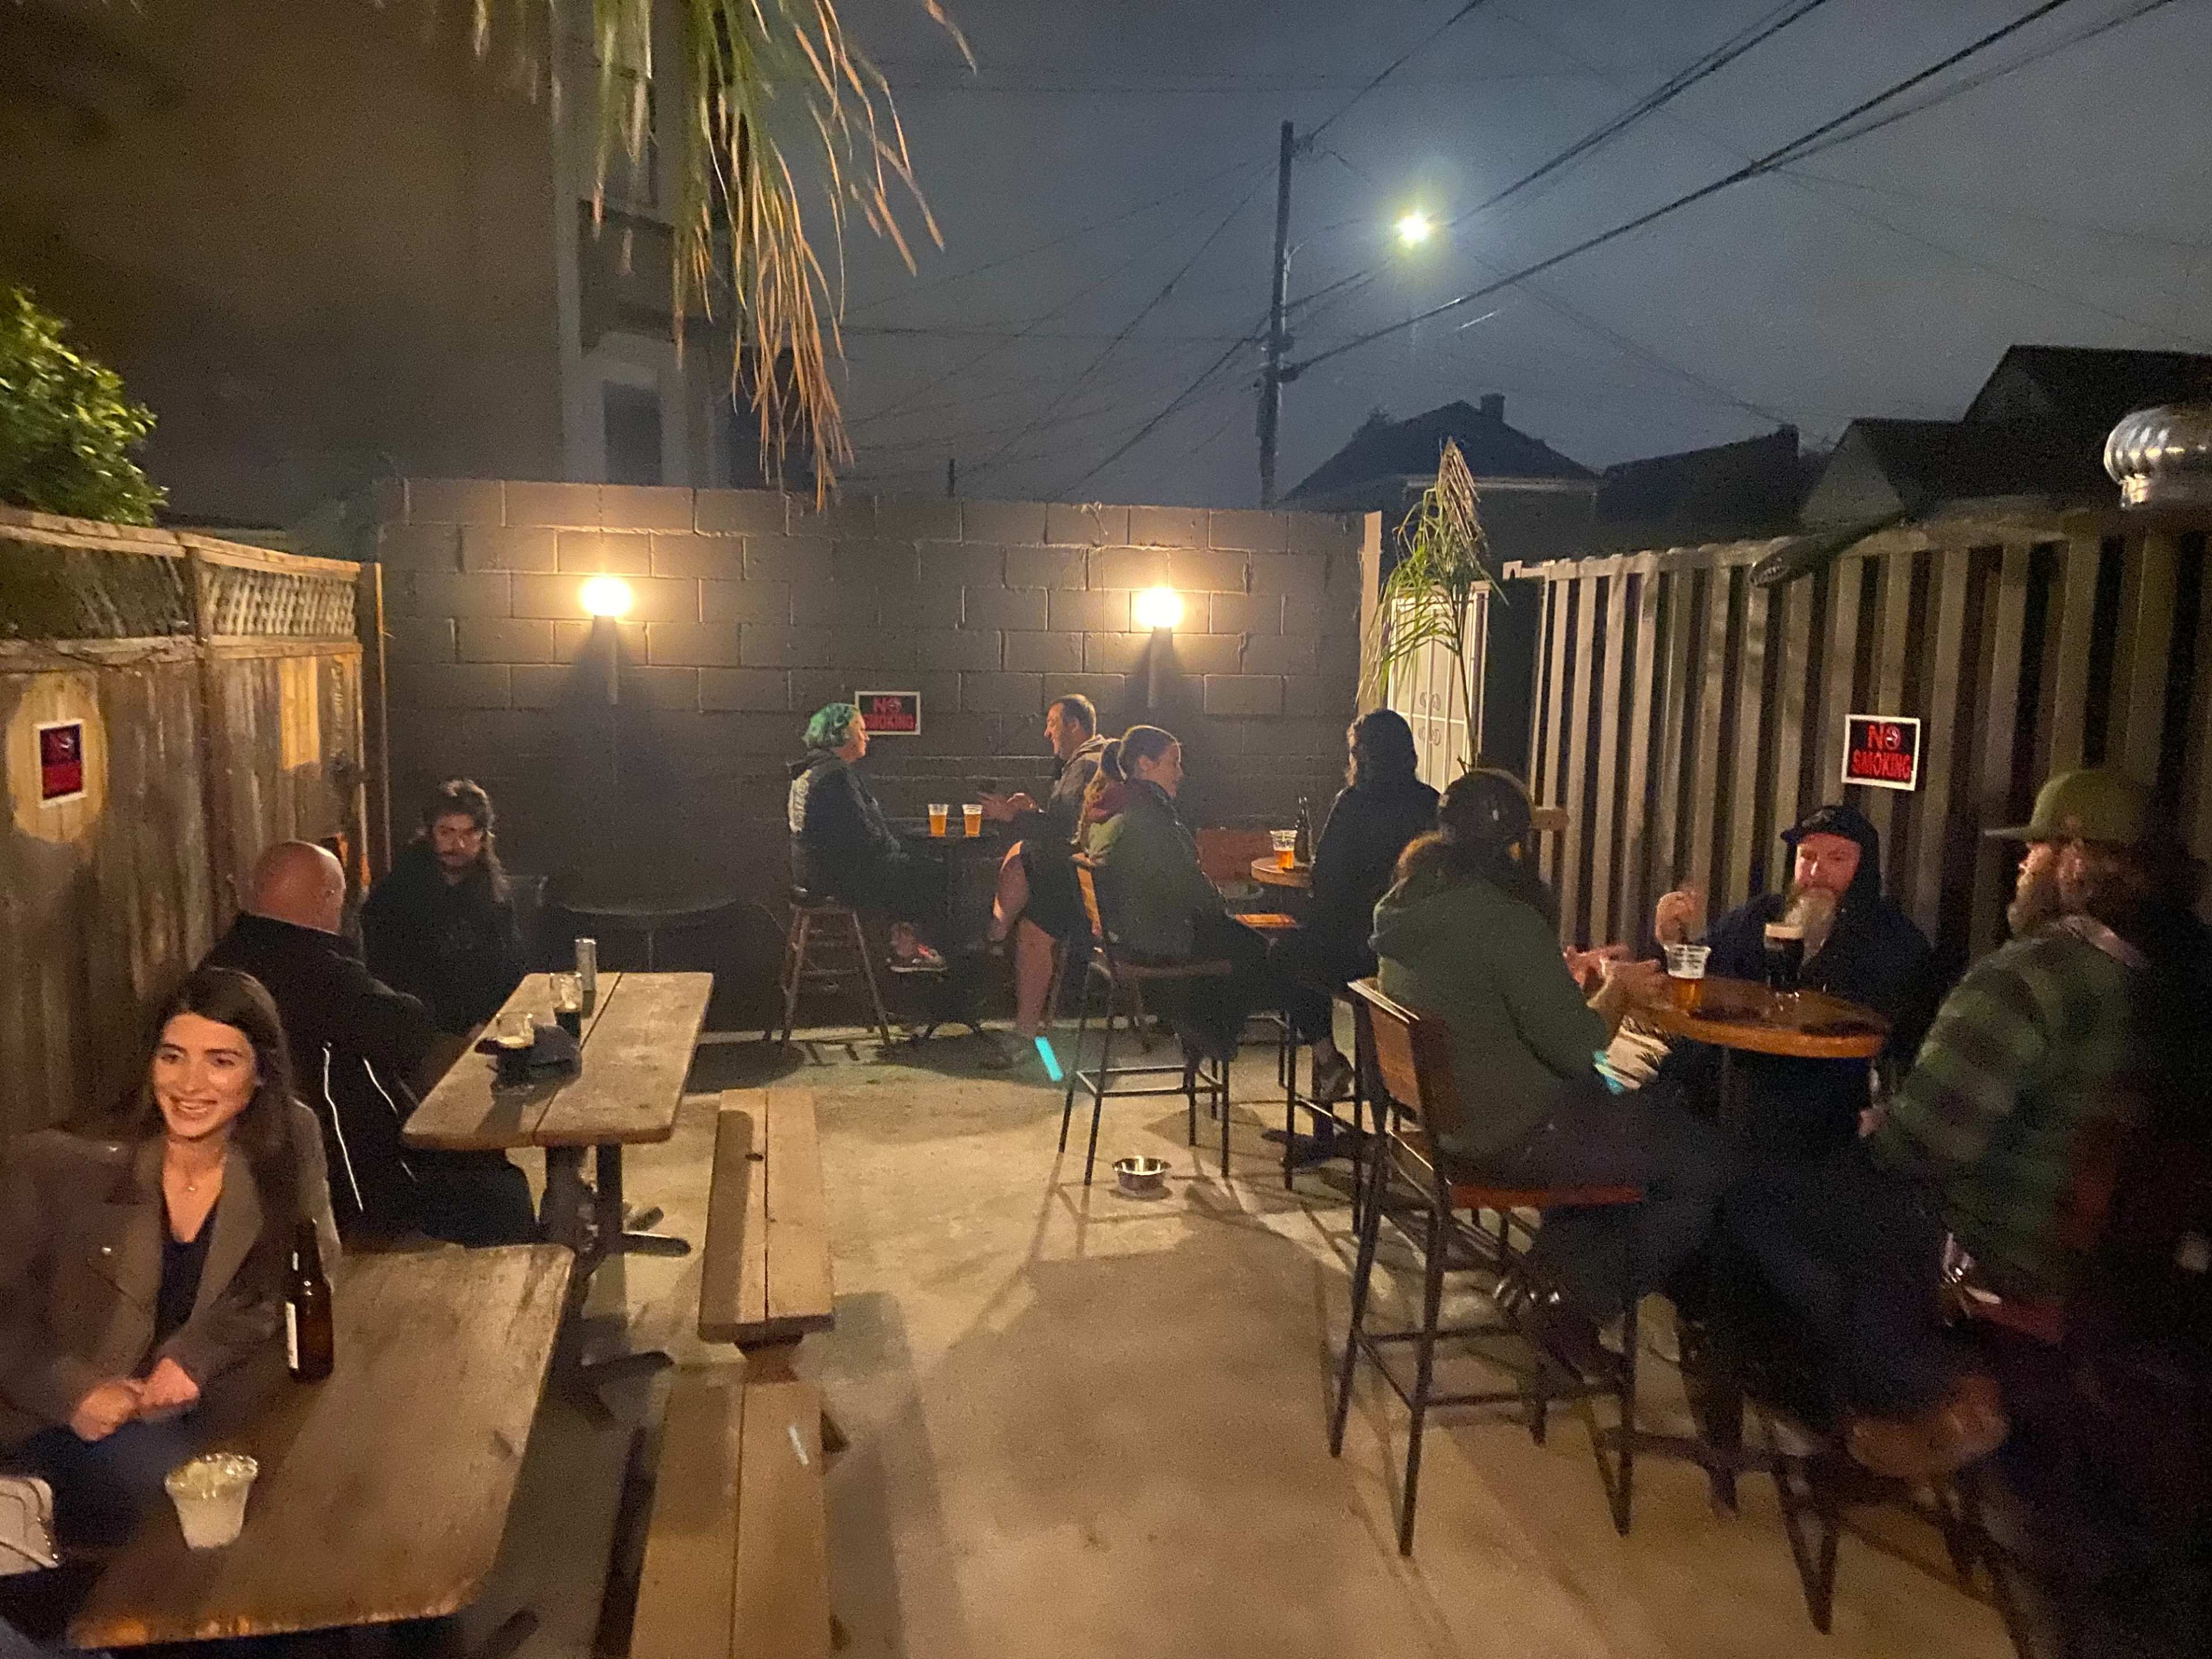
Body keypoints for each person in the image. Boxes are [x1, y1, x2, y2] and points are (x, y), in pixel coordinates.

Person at [1723, 768, 2176, 1480]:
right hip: (2105, 1266)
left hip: (1984, 1245)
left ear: (2076, 859)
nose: (2023, 866)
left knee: (1752, 1199)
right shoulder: (2159, 987)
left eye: (2035, 852)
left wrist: (1883, 1125)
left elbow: (1921, 1148)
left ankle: (1921, 1388)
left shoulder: (2026, 979)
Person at [1371, 768, 1726, 1370]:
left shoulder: (1410, 903)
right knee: (1705, 1163)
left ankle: (1545, 1280)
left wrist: (1564, 977)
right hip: (1518, 1134)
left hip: (1453, 1122)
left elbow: (1482, 995)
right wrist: (1616, 987)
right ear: (1513, 846)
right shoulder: (1505, 919)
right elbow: (1579, 1048)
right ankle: (1573, 1306)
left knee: (1642, 1114)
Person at [0, 968, 338, 1547]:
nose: (190, 1083)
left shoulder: (287, 1139)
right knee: (200, 1507)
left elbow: (297, 1271)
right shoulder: (64, 1164)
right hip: (66, 1420)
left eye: (221, 1061)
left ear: (260, 1074)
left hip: (209, 1396)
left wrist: (197, 1354)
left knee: (334, 1468)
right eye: (173, 1056)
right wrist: (74, 1390)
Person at [204, 841, 535, 1247]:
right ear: (326, 899)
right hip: (351, 1187)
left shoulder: (221, 965)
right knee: (501, 1192)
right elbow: (409, 1032)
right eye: (341, 896)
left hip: (256, 1165)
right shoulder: (321, 973)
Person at [1652, 802, 1934, 1164]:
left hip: (1835, 1108)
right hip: (1745, 1086)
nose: (1817, 872)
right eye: (1808, 856)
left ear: (1862, 869)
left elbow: (1910, 1035)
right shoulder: (1762, 916)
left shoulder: (1891, 937)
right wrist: (1671, 941)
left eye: (1837, 859)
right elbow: (1698, 966)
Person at [1273, 710, 1437, 1107]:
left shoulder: (1353, 803)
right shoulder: (1431, 802)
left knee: (1284, 954)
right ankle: (1381, 1088)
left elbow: (1326, 879)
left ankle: (1328, 1058)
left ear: (1362, 757)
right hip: (1416, 952)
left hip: (1358, 952)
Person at [1086, 725, 1276, 1061]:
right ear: (1144, 764)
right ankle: (1209, 1032)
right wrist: (1221, 902)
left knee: (1234, 940)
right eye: (1173, 763)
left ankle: (1202, 1028)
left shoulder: (1117, 807)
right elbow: (1193, 889)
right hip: (1156, 938)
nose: (1181, 773)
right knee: (1259, 950)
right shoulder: (1148, 816)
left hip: (1123, 935)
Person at [981, 694, 1112, 1039]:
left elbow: (1065, 831)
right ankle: (996, 937)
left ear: (1074, 725)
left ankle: (992, 939)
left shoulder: (1086, 765)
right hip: (1100, 881)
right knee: (1032, 928)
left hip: (1093, 890)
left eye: (1053, 723)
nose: (1046, 733)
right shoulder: (1101, 760)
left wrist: (1016, 815)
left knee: (1023, 855)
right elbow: (1070, 824)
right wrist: (1033, 813)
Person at [787, 703, 945, 972]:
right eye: (861, 729)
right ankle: (907, 952)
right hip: (837, 878)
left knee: (907, 867)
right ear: (842, 736)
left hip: (813, 873)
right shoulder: (836, 775)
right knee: (933, 872)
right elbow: (862, 836)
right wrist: (895, 849)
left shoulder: (812, 770)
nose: (867, 737)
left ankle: (903, 943)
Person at [361, 778, 527, 1034]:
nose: (458, 845)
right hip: (422, 1034)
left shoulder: (496, 895)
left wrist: (494, 1021)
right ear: (430, 834)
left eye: (469, 832)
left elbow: (511, 968)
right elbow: (393, 982)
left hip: (492, 1027)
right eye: (447, 832)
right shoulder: (396, 896)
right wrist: (459, 1028)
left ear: (484, 837)